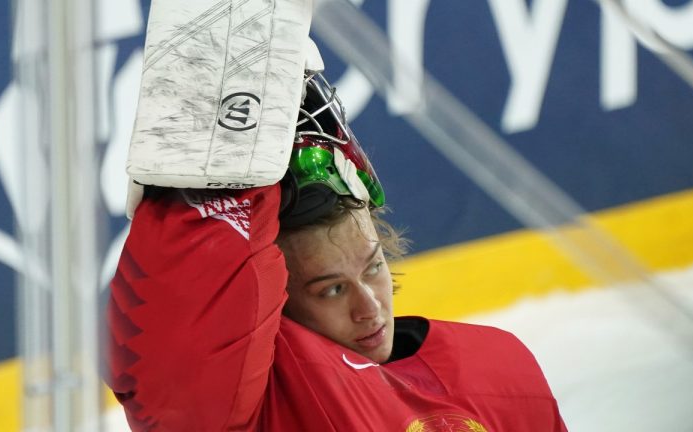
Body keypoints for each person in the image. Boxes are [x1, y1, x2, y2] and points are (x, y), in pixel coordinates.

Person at [106, 72, 568, 431]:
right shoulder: (263, 404)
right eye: (330, 290)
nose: (369, 309)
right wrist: (220, 195)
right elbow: (170, 364)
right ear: (272, 307)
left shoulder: (499, 361)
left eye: (373, 268)